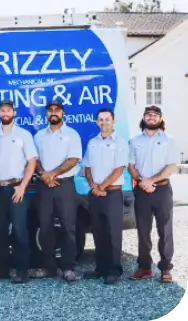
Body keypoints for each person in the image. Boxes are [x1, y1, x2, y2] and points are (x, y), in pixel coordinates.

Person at [0, 100, 37, 284]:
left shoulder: (24, 135)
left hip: (17, 188)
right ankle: (2, 269)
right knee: (1, 230)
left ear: (14, 112)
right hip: (0, 188)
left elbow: (32, 161)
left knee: (19, 229)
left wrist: (23, 185)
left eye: (8, 110)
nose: (5, 113)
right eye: (2, 110)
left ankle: (22, 270)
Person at [128, 105, 180, 283]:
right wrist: (142, 181)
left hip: (162, 190)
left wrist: (152, 181)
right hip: (142, 191)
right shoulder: (134, 141)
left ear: (160, 119)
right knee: (143, 230)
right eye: (148, 114)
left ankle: (165, 268)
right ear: (143, 118)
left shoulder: (168, 140)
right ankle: (144, 267)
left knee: (165, 230)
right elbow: (131, 166)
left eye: (155, 115)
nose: (151, 117)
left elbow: (172, 166)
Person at [33, 100, 82, 283]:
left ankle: (68, 268)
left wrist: (52, 174)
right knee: (45, 228)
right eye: (50, 110)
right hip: (44, 186)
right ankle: (49, 268)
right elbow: (34, 160)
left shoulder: (72, 134)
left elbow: (73, 159)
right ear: (46, 114)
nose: (53, 113)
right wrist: (44, 175)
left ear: (62, 113)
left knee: (68, 228)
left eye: (57, 110)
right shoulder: (39, 136)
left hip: (65, 186)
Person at [82, 108, 129, 285]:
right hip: (95, 194)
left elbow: (119, 169)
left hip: (112, 194)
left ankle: (114, 269)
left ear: (113, 121)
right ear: (97, 122)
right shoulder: (92, 142)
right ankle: (100, 268)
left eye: (107, 119)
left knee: (113, 233)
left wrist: (102, 186)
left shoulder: (120, 142)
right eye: (100, 120)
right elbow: (86, 167)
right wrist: (93, 185)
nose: (104, 122)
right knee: (98, 232)